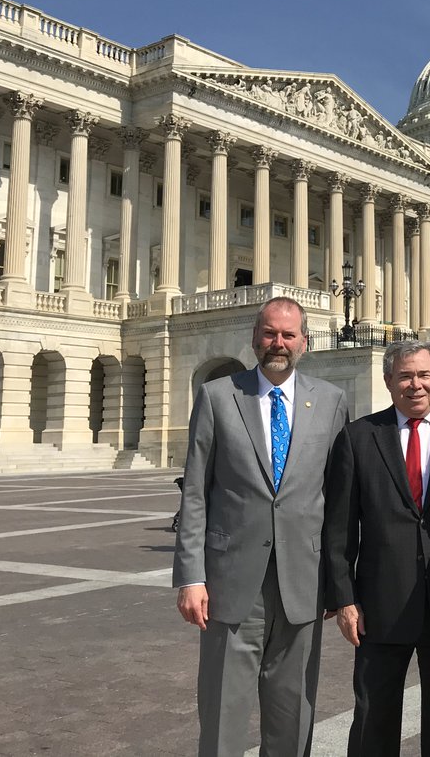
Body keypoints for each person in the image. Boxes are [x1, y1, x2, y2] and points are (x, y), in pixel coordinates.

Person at [173, 297, 349, 757]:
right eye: (270, 333)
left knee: (294, 712)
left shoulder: (330, 402)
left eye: (289, 335)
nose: (278, 343)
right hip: (231, 583)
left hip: (304, 580)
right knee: (222, 710)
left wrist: (340, 583)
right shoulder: (217, 396)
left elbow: (338, 500)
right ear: (255, 338)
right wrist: (191, 576)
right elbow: (196, 493)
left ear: (305, 342)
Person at [324, 341, 430, 757]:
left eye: (424, 375)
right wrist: (343, 598)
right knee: (374, 713)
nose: (416, 385)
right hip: (379, 604)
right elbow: (339, 527)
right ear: (388, 381)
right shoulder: (359, 437)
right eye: (406, 376)